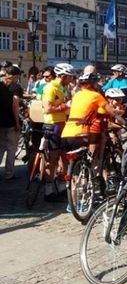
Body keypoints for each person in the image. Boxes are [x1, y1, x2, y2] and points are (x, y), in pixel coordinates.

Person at [41, 63, 77, 201]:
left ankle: (61, 188)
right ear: (63, 76)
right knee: (53, 158)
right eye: (70, 77)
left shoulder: (62, 88)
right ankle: (48, 191)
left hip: (62, 125)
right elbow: (47, 108)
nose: (71, 79)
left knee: (64, 158)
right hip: (52, 125)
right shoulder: (50, 87)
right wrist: (65, 106)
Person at [0, 67, 22, 181]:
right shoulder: (15, 86)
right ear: (16, 76)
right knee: (11, 148)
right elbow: (15, 105)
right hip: (10, 121)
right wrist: (17, 122)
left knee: (1, 147)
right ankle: (9, 173)